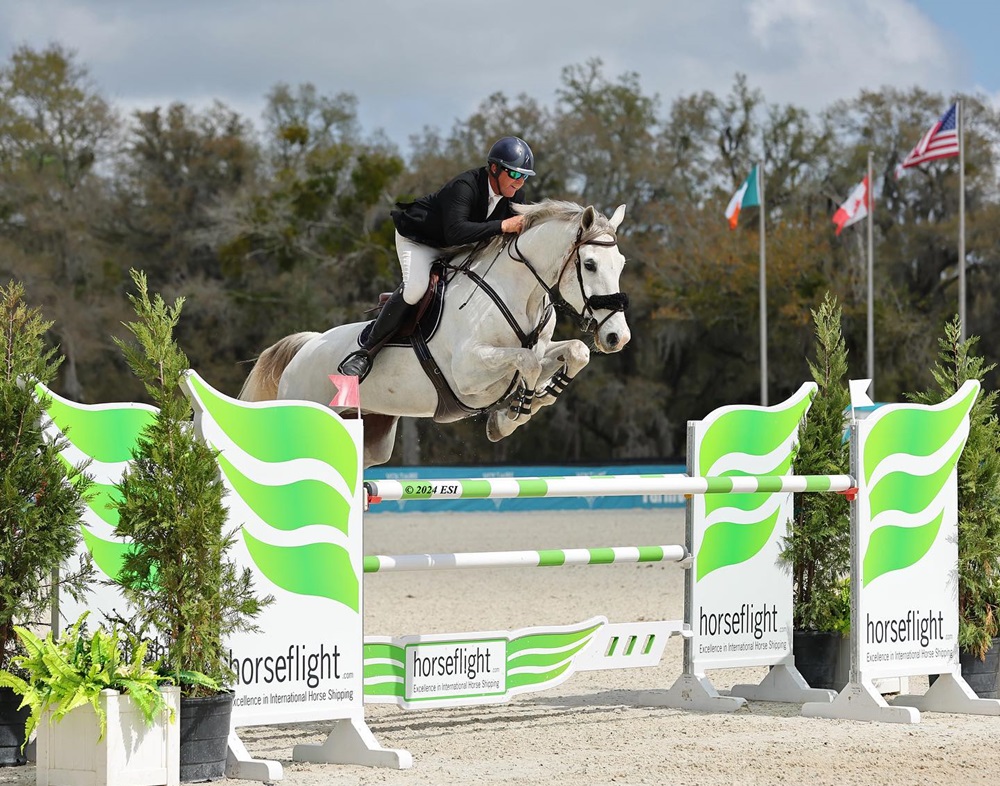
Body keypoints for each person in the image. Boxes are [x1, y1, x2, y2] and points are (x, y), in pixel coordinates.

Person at [338, 136, 535, 380]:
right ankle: (364, 352)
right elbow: (456, 232)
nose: (519, 182)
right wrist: (503, 225)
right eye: (514, 174)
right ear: (494, 168)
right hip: (420, 241)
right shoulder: (465, 186)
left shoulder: (515, 196)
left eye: (524, 176)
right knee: (415, 289)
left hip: (456, 248)